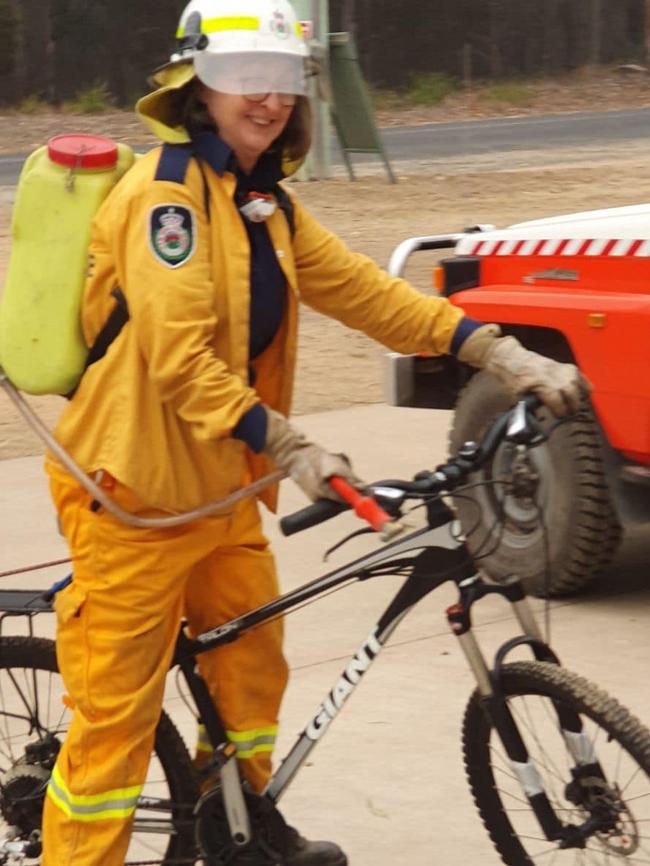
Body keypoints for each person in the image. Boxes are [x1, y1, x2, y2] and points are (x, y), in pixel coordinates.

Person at [41, 1, 585, 864]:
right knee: (112, 734)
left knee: (252, 678)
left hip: (225, 490)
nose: (267, 99)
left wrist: (500, 353)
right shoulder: (166, 204)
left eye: (285, 81)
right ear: (199, 86)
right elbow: (181, 362)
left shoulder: (266, 208)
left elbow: (372, 294)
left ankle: (239, 831)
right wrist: (292, 444)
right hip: (133, 497)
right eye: (245, 79)